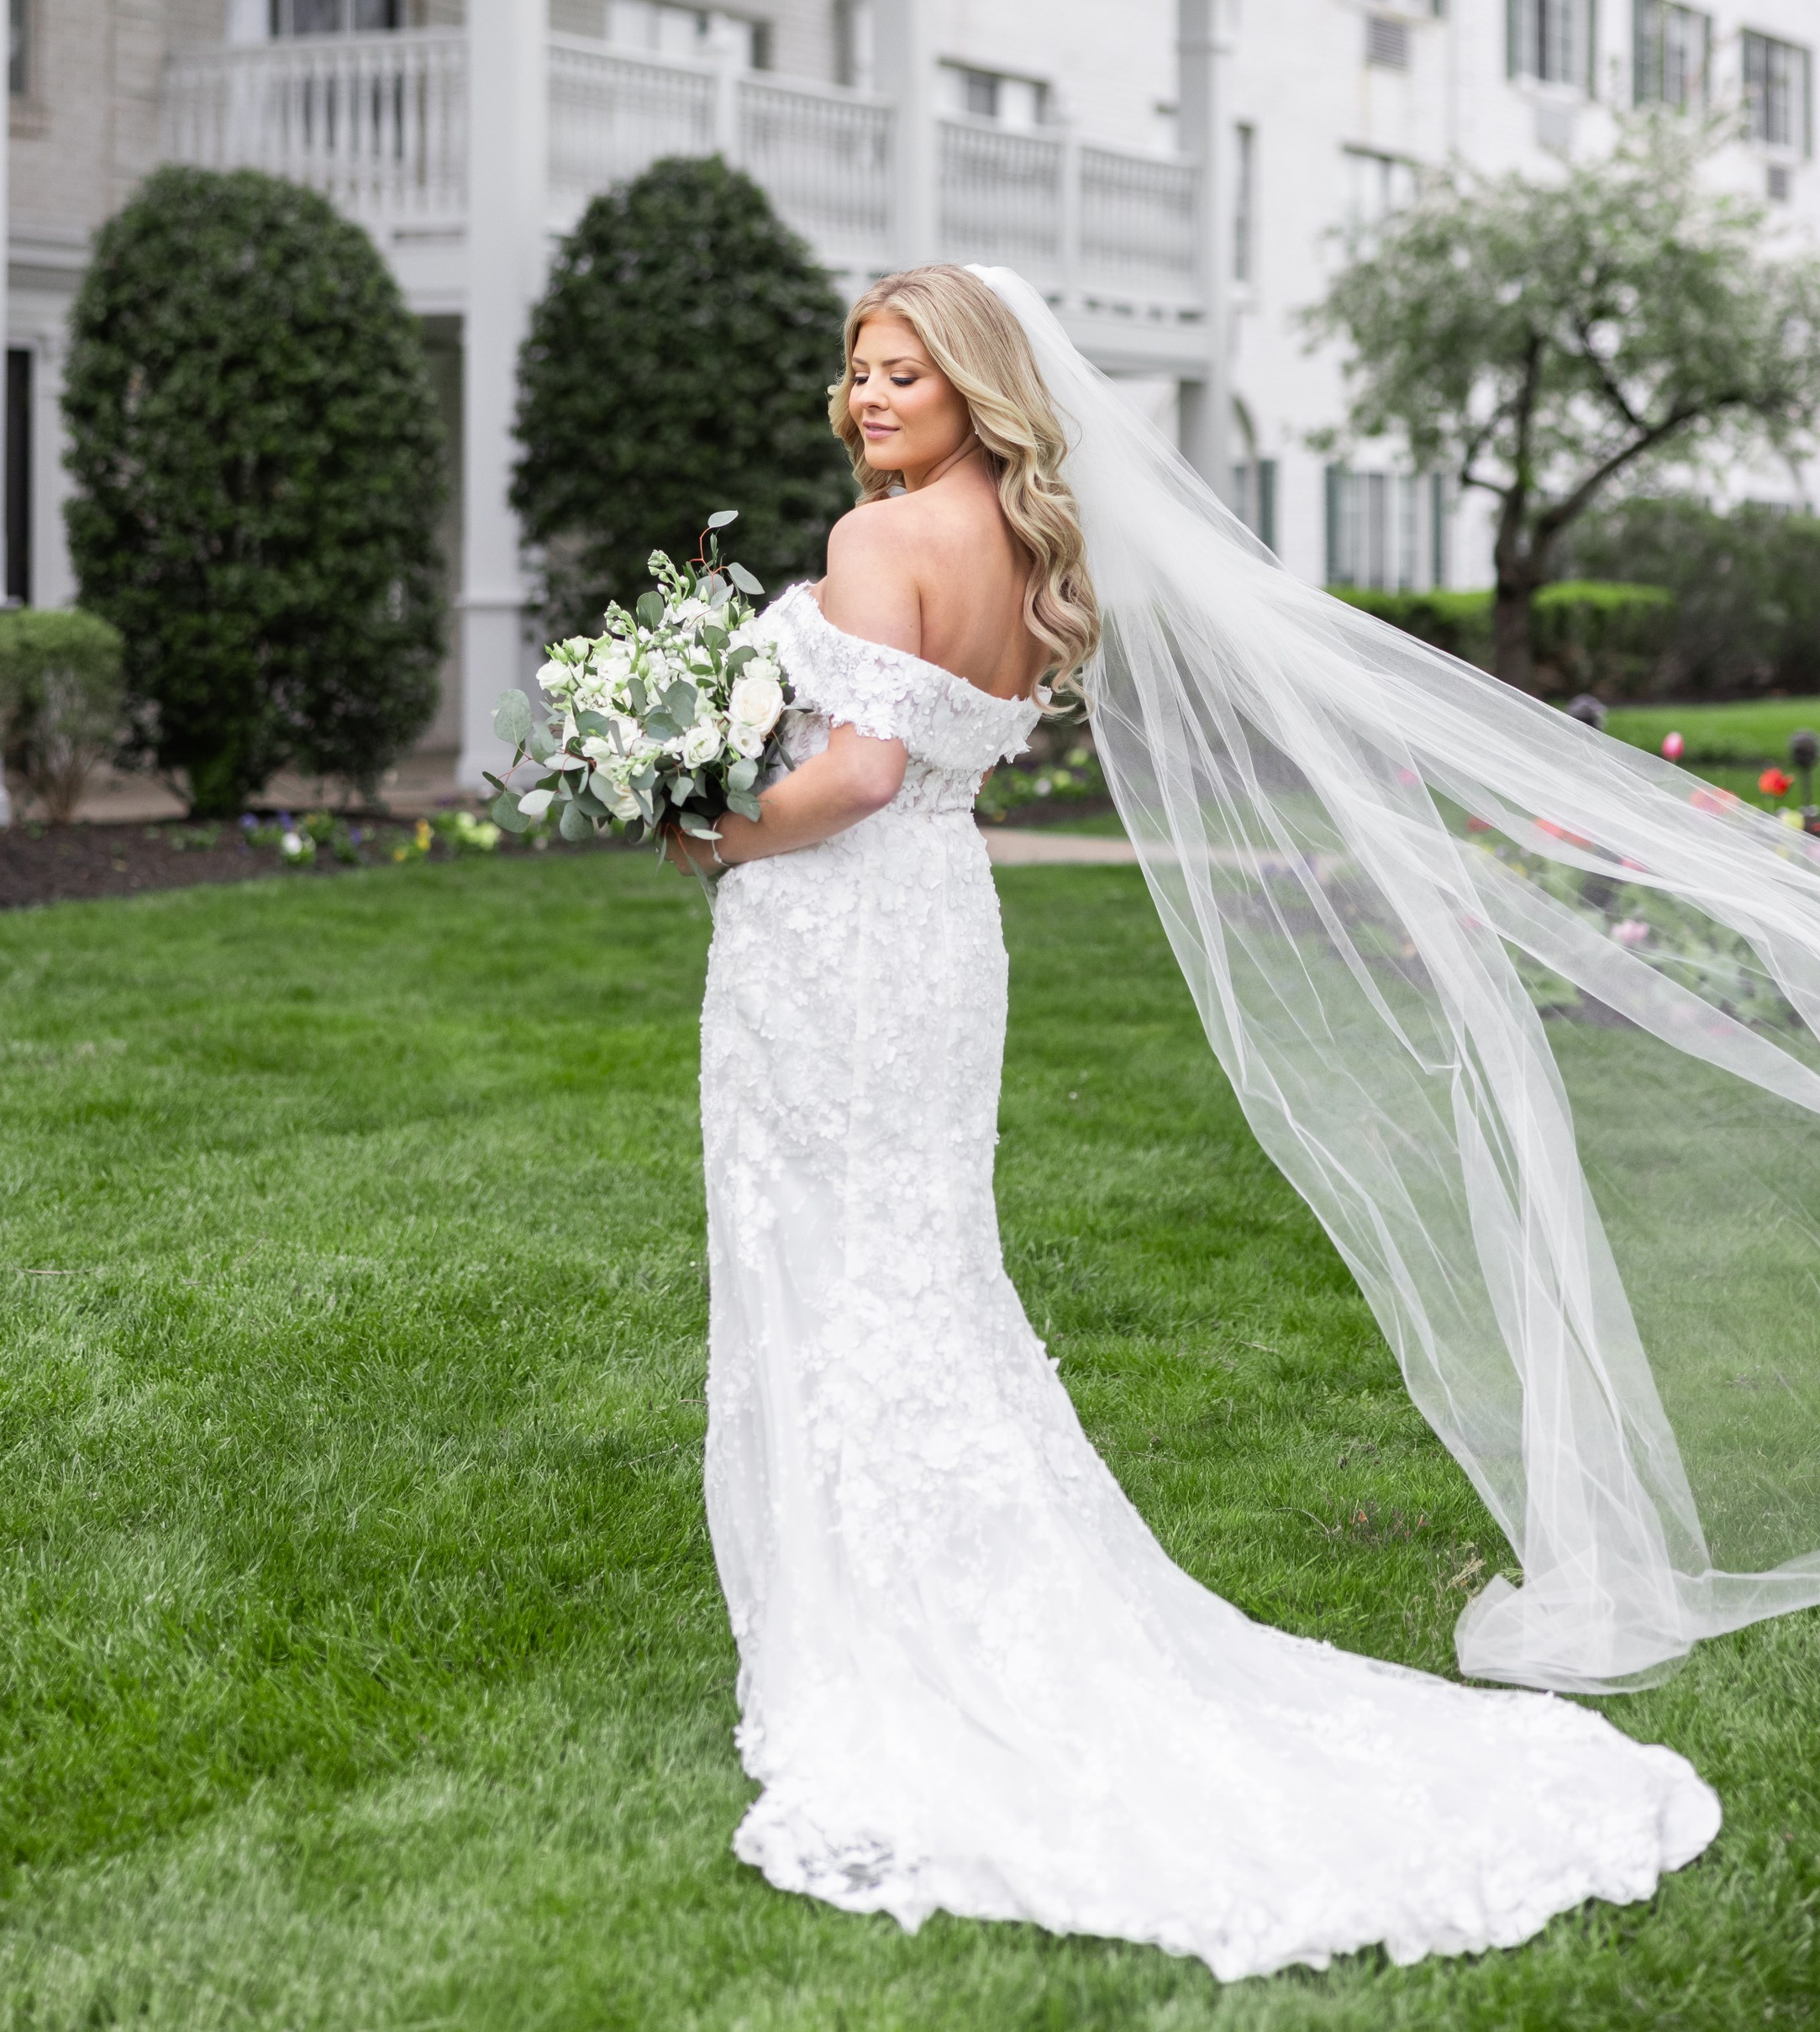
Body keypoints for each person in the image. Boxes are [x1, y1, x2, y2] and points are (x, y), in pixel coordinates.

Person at [676, 263, 1721, 1977]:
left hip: (839, 923)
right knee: (915, 1257)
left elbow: (856, 774)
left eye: (901, 373)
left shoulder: (876, 546)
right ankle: (938, 1570)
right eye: (855, 371)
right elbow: (935, 755)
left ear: (974, 388)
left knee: (843, 1252)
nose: (867, 398)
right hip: (938, 928)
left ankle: (885, 1622)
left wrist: (711, 827)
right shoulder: (1021, 550)